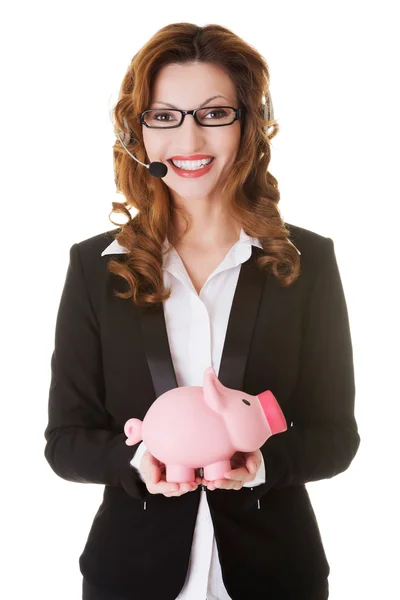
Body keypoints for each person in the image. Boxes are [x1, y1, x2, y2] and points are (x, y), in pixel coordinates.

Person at [44, 22, 360, 600]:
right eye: (164, 116)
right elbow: (65, 441)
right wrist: (141, 462)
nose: (189, 141)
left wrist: (259, 464)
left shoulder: (306, 260)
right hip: (130, 576)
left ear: (250, 124)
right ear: (136, 132)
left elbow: (337, 436)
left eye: (215, 114)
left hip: (276, 576)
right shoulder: (96, 266)